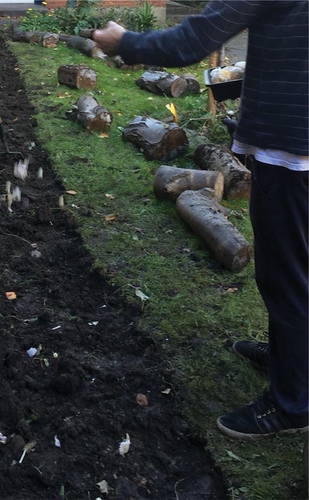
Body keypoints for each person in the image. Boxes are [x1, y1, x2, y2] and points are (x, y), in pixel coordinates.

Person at [93, 0, 308, 440]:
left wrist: (126, 41)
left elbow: (197, 36)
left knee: (286, 277)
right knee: (299, 269)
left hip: (291, 152)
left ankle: (293, 405)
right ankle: (293, 358)